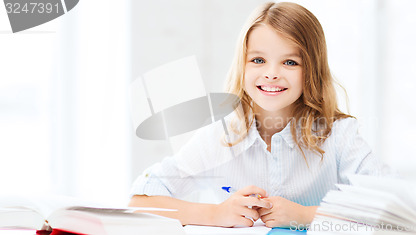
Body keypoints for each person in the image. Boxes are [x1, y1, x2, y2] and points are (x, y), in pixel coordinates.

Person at [129, 1, 392, 228]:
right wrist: (215, 213)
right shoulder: (221, 137)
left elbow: (391, 204)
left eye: (290, 62)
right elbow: (140, 200)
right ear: (242, 65)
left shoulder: (337, 135)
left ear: (311, 70)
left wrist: (304, 215)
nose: (271, 73)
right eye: (258, 60)